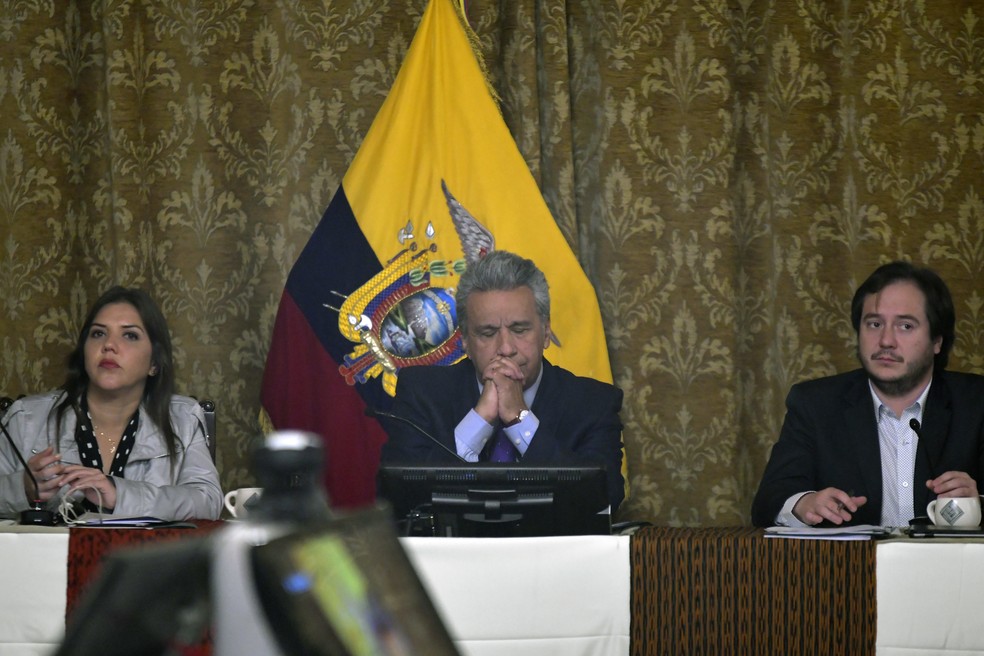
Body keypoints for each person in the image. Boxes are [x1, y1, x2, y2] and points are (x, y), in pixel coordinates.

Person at [378, 250, 625, 511]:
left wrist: (520, 419)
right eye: (488, 333)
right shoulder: (422, 393)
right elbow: (395, 501)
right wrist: (479, 420)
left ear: (546, 333)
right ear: (465, 342)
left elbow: (605, 500)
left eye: (520, 330)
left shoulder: (592, 403)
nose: (506, 348)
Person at [752, 261, 984, 528]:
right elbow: (768, 502)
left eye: (905, 326)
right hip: (851, 568)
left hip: (951, 568)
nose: (886, 340)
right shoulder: (815, 404)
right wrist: (803, 504)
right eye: (874, 324)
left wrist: (978, 502)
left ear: (937, 341)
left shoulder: (976, 403)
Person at [0, 287, 222, 521]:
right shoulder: (26, 418)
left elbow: (207, 502)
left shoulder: (182, 419)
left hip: (143, 557)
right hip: (47, 557)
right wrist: (21, 488)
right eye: (98, 334)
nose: (109, 345)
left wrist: (120, 494)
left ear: (154, 363)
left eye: (130, 335)